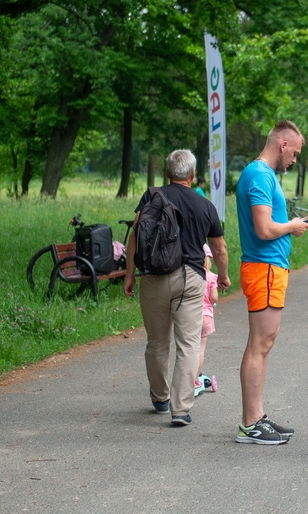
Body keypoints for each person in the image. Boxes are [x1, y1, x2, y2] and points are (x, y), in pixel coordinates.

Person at [235, 120, 308, 445]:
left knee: (264, 344)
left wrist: (300, 224)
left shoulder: (264, 175)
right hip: (264, 269)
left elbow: (274, 224)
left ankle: (257, 416)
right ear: (283, 145)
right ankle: (250, 423)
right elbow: (263, 229)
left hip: (270, 268)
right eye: (296, 154)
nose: (295, 161)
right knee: (260, 344)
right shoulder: (260, 175)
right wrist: (292, 226)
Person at [123, 149, 230, 426]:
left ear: (167, 174)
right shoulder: (204, 204)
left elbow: (135, 236)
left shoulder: (151, 196)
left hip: (153, 277)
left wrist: (129, 274)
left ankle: (160, 399)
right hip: (191, 279)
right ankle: (180, 409)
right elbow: (219, 248)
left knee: (157, 341)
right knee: (189, 344)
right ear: (192, 176)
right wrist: (224, 276)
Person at [195, 243, 218, 396]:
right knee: (200, 350)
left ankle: (186, 377)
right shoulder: (211, 277)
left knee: (189, 348)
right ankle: (196, 379)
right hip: (206, 316)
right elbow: (214, 297)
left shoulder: (191, 275)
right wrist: (213, 302)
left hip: (191, 315)